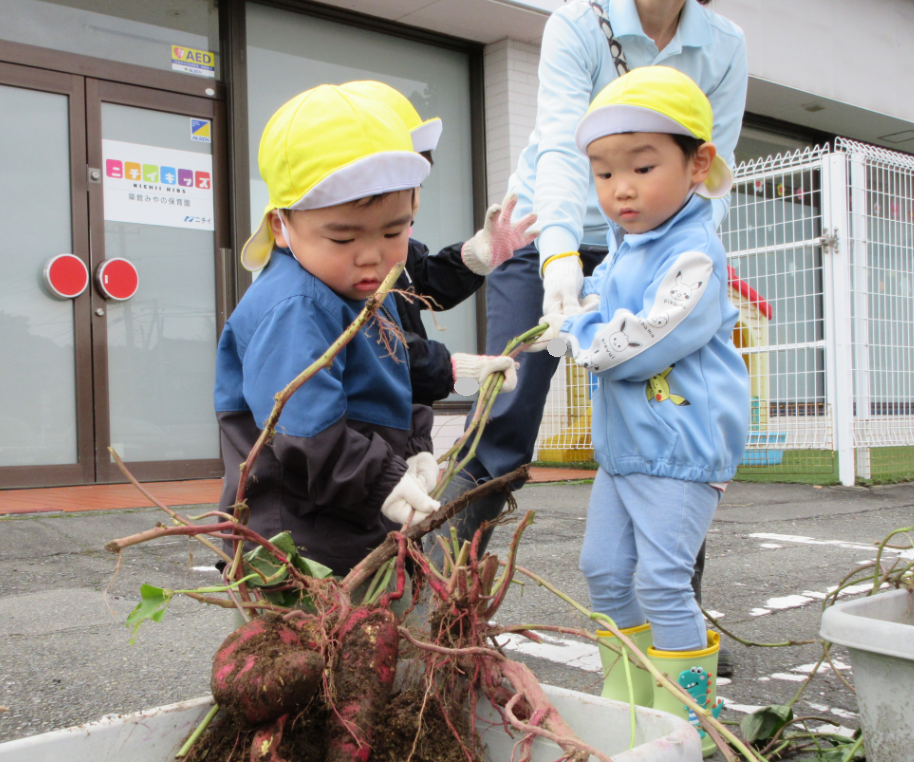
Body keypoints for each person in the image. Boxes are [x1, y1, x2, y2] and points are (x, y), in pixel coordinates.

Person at [439, 0, 748, 674]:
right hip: (544, 230)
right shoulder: (580, 24)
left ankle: (674, 618)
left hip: (654, 239)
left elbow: (711, 167)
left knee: (673, 406)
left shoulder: (724, 45)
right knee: (507, 412)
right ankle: (443, 605)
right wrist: (556, 265)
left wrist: (681, 260)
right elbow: (559, 147)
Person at [549, 66, 748, 754]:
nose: (620, 188)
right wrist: (571, 309)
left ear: (697, 165)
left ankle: (687, 726)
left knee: (664, 580)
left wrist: (575, 332)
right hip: (626, 450)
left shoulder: (696, 254)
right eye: (603, 173)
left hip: (682, 450)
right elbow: (592, 304)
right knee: (603, 569)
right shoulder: (625, 251)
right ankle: (629, 705)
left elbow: (634, 347)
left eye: (640, 165)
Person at [214, 84, 441, 577]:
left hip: (353, 520)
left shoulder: (360, 288)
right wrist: (386, 479)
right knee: (307, 649)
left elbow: (390, 383)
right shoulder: (295, 305)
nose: (371, 254)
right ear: (281, 226)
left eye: (393, 231)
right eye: (342, 236)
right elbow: (306, 433)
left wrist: (416, 450)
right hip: (298, 542)